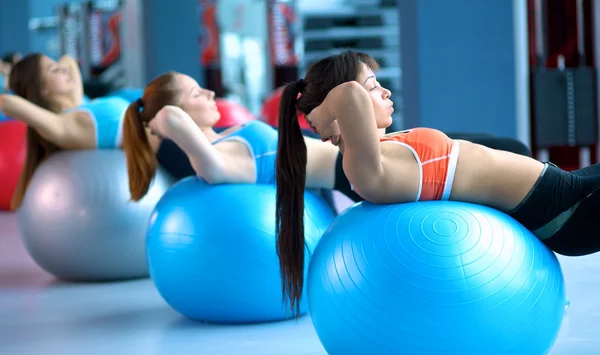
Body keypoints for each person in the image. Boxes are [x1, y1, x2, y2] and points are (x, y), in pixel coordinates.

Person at [275, 50, 600, 314]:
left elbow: (349, 96)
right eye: (372, 86)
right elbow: (348, 94)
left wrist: (331, 110)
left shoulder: (387, 149)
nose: (385, 91)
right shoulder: (368, 172)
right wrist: (327, 111)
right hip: (567, 210)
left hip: (565, 187)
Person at [123, 71, 532, 205]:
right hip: (361, 167)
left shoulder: (229, 134)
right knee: (511, 153)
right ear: (170, 116)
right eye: (197, 93)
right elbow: (214, 171)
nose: (211, 93)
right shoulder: (216, 152)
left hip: (373, 152)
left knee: (505, 145)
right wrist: (171, 125)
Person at [0, 53, 128, 210]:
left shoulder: (77, 101)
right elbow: (7, 102)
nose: (64, 69)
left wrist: (52, 67)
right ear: (42, 90)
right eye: (54, 70)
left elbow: (68, 59)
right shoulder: (64, 125)